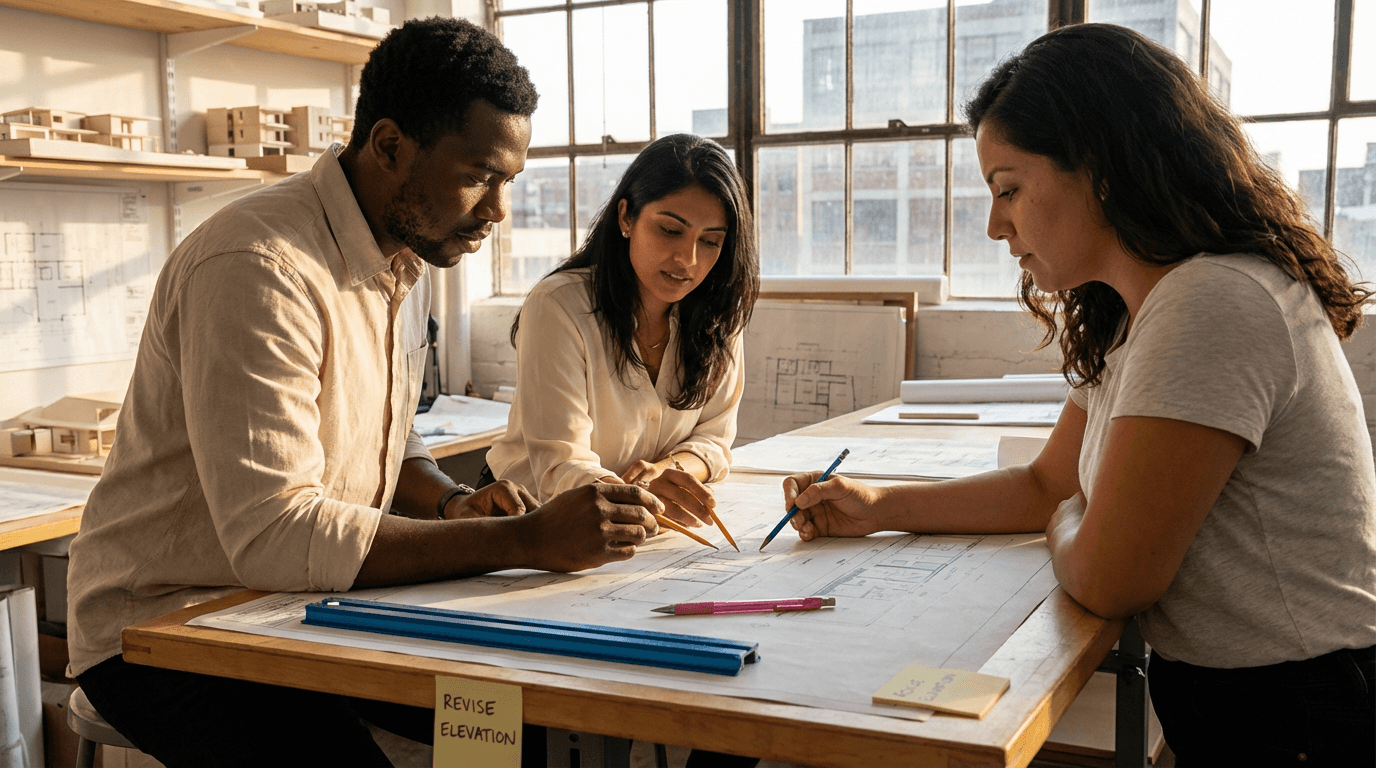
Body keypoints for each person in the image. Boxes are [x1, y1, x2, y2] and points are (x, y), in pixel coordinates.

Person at [65, 17, 665, 767]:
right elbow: (274, 536)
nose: (498, 210)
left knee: (508, 723)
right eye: (480, 174)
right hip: (169, 623)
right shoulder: (258, 266)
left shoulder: (402, 253)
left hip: (298, 605)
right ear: (388, 146)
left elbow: (384, 440)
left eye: (508, 180)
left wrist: (452, 503)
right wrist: (520, 542)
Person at [781, 23, 1376, 766]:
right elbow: (1044, 483)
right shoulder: (1140, 310)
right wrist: (878, 508)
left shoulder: (1211, 301)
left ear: (1100, 167)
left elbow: (1109, 576)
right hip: (1244, 699)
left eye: (1009, 189)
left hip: (1301, 712)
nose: (997, 225)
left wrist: (1075, 518)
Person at [485, 133, 759, 530]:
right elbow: (561, 466)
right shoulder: (560, 306)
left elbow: (714, 440)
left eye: (711, 241)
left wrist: (666, 471)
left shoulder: (718, 313)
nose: (688, 259)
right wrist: (644, 496)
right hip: (530, 518)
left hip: (643, 525)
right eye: (670, 230)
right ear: (626, 217)